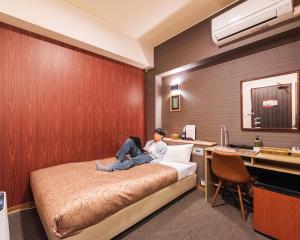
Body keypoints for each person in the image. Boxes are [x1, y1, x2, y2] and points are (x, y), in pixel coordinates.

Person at [96, 128, 167, 171]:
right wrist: (140, 151)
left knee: (131, 160)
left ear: (162, 136)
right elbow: (144, 149)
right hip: (142, 153)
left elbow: (160, 157)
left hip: (149, 156)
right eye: (155, 133)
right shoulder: (150, 141)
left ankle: (109, 168)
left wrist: (150, 152)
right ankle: (120, 159)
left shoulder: (163, 145)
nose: (155, 135)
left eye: (157, 134)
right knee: (130, 140)